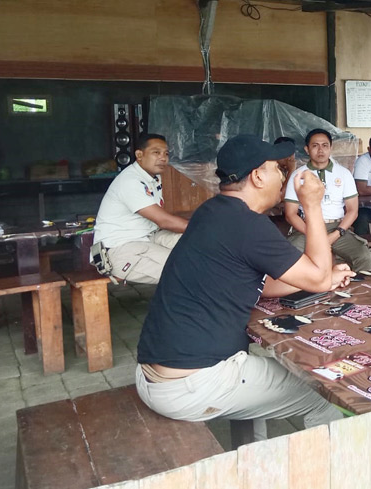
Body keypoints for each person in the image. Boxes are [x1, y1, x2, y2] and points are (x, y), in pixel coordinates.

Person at [135, 134, 354, 441]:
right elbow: (315, 279)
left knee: (255, 376)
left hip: (157, 374)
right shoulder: (249, 224)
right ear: (257, 176)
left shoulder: (212, 211)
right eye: (277, 168)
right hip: (191, 384)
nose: (283, 175)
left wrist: (325, 276)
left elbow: (260, 283)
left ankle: (253, 460)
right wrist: (313, 206)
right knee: (327, 392)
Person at [92, 133, 189, 284]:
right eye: (156, 152)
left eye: (166, 153)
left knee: (203, 244)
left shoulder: (152, 177)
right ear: (139, 155)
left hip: (148, 237)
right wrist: (202, 228)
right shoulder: (130, 181)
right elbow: (163, 220)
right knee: (187, 269)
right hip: (121, 249)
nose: (163, 158)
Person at [284, 129, 371, 271]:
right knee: (288, 258)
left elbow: (352, 211)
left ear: (330, 148)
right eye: (315, 146)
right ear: (307, 149)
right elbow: (290, 214)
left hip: (337, 228)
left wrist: (335, 234)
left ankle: (355, 291)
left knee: (363, 256)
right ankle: (305, 292)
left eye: (325, 145)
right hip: (306, 228)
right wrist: (313, 234)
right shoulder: (298, 175)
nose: (320, 150)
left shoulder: (343, 173)